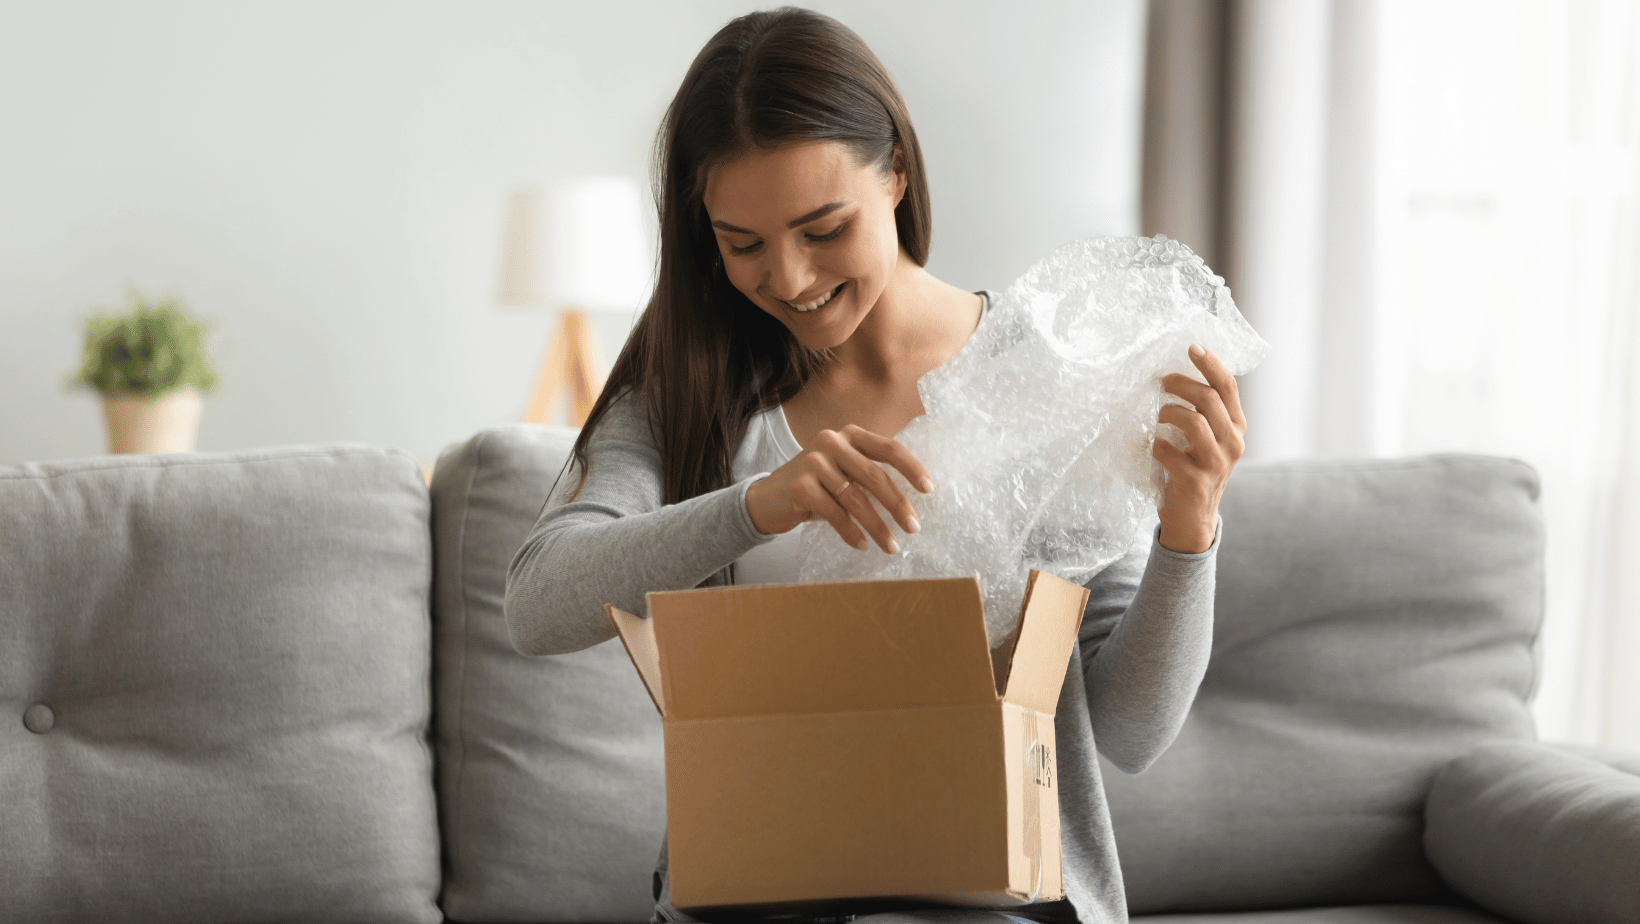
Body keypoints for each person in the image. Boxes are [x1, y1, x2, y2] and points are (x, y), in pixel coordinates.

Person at [504, 8, 1247, 924]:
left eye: (823, 228)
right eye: (743, 244)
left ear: (896, 171)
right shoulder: (686, 389)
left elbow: (1130, 732)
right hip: (751, 895)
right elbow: (537, 606)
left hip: (997, 905)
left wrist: (1188, 531)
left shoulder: (1051, 379)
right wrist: (759, 506)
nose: (789, 276)